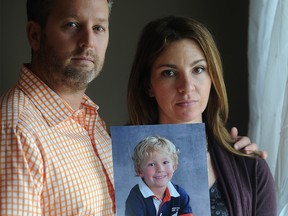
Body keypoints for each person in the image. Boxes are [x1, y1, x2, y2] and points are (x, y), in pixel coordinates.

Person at [126, 16, 277, 215]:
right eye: (169, 73)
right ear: (148, 85)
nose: (187, 86)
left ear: (212, 77)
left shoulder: (251, 168)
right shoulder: (116, 162)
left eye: (198, 69)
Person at [0, 0, 115, 215]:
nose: (88, 42)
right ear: (35, 35)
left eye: (98, 28)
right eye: (72, 25)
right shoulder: (16, 131)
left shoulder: (91, 118)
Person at [125, 135, 193, 216]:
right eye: (151, 164)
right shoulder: (135, 198)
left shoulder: (181, 194)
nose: (160, 169)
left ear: (174, 166)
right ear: (139, 171)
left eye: (165, 162)